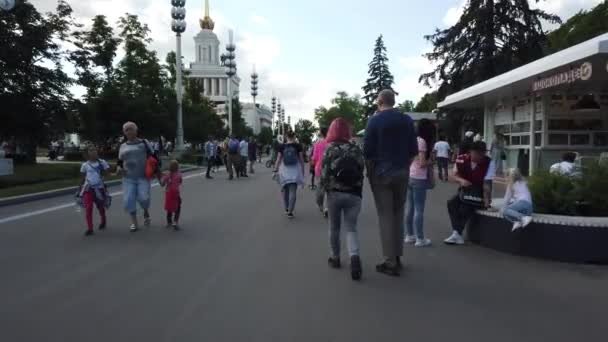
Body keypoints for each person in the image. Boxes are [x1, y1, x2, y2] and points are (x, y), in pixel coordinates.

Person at [363, 89, 418, 276]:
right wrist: (404, 166)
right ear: (393, 101)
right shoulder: (407, 120)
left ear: (379, 102)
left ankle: (390, 261)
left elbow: (368, 152)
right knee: (398, 213)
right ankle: (398, 256)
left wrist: (370, 174)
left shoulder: (374, 121)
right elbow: (413, 151)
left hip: (381, 174)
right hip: (402, 172)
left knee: (385, 216)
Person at [320, 118, 365, 281]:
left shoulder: (329, 149)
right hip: (354, 194)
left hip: (334, 194)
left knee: (334, 227)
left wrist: (321, 197)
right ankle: (354, 257)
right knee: (351, 228)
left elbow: (323, 175)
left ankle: (335, 258)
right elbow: (361, 170)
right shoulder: (356, 148)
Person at [444, 141, 496, 245]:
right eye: (477, 154)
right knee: (451, 203)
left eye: (482, 154)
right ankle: (457, 233)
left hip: (479, 192)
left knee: (465, 207)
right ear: (471, 152)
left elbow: (487, 184)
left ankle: (456, 234)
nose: (480, 157)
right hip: (465, 190)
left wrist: (487, 203)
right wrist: (461, 180)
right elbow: (453, 176)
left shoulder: (489, 163)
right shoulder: (461, 159)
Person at [117, 121, 157, 232]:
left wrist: (155, 171)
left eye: (131, 129)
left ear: (136, 130)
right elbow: (119, 161)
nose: (129, 131)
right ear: (124, 133)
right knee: (129, 199)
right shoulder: (122, 146)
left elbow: (154, 157)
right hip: (128, 177)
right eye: (126, 130)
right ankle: (134, 223)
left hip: (142, 176)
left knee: (144, 198)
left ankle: (146, 212)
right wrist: (119, 168)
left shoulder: (144, 143)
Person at [404, 119, 435, 248]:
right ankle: (420, 238)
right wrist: (432, 161)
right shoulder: (422, 141)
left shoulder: (413, 140)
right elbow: (422, 163)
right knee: (419, 209)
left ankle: (409, 235)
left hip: (410, 176)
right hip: (419, 178)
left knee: (410, 207)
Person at [79, 146, 110, 236]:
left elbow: (108, 173)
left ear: (97, 152)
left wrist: (104, 177)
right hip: (88, 189)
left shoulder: (102, 162)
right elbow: (82, 177)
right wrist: (80, 188)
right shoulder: (85, 165)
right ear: (88, 153)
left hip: (99, 189)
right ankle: (90, 228)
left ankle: (103, 220)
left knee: (100, 207)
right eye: (91, 151)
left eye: (94, 150)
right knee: (88, 208)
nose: (93, 152)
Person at [274, 131, 305, 219]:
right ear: (294, 136)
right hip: (294, 171)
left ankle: (286, 208)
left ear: (286, 136)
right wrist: (302, 172)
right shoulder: (298, 146)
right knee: (293, 192)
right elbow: (301, 160)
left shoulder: (282, 146)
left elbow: (279, 159)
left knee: (284, 191)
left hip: (284, 171)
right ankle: (290, 211)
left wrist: (275, 169)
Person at [311, 127, 329, 217]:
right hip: (329, 168)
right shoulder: (330, 142)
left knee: (320, 187)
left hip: (319, 168)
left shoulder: (317, 143)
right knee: (328, 188)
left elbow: (314, 158)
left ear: (321, 133)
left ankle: (320, 204)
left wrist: (313, 164)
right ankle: (327, 207)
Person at [161, 160, 183, 230]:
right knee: (178, 207)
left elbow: (162, 184)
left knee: (169, 208)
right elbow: (180, 181)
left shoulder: (167, 175)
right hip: (176, 193)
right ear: (177, 167)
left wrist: (160, 178)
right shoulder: (179, 174)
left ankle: (169, 222)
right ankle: (175, 222)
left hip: (168, 193)